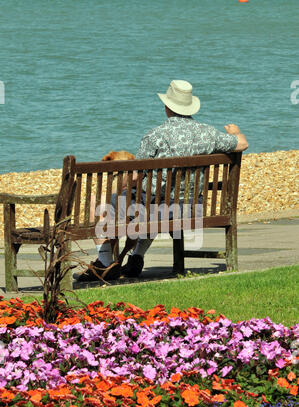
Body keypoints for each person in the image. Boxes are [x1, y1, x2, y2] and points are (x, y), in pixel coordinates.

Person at [75, 79, 248, 283]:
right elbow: (242, 143)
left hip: (157, 210)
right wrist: (235, 132)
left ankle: (105, 262)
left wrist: (125, 184)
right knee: (154, 201)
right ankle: (136, 256)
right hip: (192, 209)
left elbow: (137, 176)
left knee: (104, 201)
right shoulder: (208, 133)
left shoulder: (155, 135)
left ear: (167, 107)